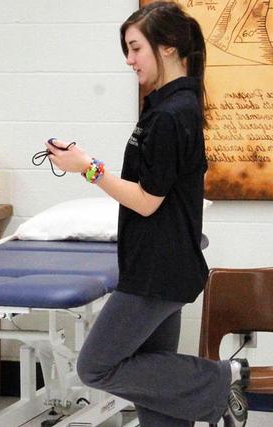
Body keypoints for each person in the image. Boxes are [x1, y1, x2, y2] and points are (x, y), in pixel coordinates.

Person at [45, 2, 249, 426]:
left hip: (157, 272)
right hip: (159, 264)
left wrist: (88, 169)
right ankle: (214, 386)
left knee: (95, 366)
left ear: (169, 47)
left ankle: (222, 377)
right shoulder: (169, 108)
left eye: (135, 48)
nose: (129, 59)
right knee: (160, 397)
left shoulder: (173, 115)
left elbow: (146, 200)